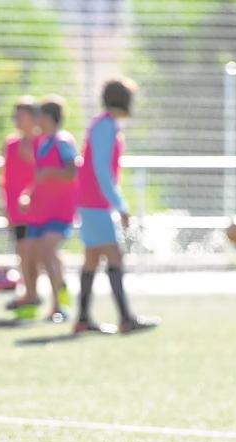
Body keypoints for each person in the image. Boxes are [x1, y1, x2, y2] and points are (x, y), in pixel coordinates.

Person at [75, 78, 156, 334]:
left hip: (90, 200)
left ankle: (83, 319)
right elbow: (101, 169)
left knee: (92, 258)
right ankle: (125, 319)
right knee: (114, 255)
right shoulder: (106, 126)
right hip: (96, 202)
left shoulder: (102, 124)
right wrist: (119, 205)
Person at [22, 95, 77, 323]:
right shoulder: (40, 143)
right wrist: (28, 194)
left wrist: (52, 174)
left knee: (47, 250)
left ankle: (57, 307)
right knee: (38, 254)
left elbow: (73, 172)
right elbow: (38, 177)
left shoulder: (63, 141)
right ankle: (59, 288)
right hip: (41, 209)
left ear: (47, 117)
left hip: (61, 209)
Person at [0, 96, 40, 313]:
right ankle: (30, 294)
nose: (17, 120)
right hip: (18, 211)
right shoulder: (11, 144)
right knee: (24, 252)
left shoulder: (43, 143)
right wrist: (7, 207)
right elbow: (6, 178)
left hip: (39, 209)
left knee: (40, 253)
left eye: (21, 115)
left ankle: (43, 293)